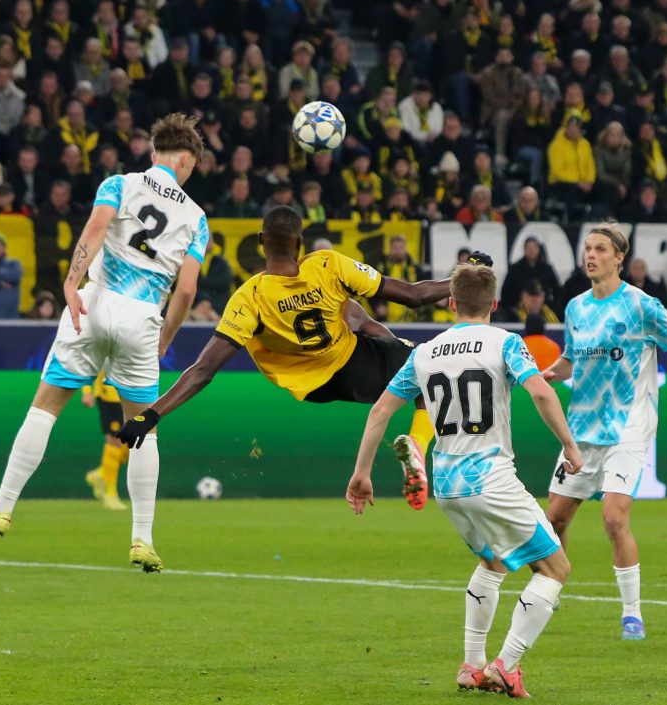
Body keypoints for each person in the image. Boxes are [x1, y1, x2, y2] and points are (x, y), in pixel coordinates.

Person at [0, 114, 209, 574]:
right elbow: (188, 291)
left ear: (155, 153)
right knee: (143, 428)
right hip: (142, 317)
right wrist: (164, 338)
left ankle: (1, 507)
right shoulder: (197, 217)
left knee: (45, 407)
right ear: (185, 160)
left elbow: (94, 231)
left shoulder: (120, 184)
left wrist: (71, 284)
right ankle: (142, 539)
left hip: (93, 304)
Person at [116, 207, 487, 509]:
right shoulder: (327, 265)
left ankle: (405, 382)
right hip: (353, 360)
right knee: (430, 366)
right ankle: (418, 445)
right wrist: (467, 273)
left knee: (387, 340)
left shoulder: (250, 298)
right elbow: (413, 295)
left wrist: (151, 414)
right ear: (300, 243)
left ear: (261, 242)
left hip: (313, 387)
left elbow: (203, 369)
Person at [344, 263, 582, 698]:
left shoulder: (425, 353)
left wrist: (361, 473)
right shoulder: (506, 343)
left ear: (451, 302)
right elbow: (541, 391)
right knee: (555, 568)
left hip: (448, 483)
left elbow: (380, 411)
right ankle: (505, 667)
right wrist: (569, 445)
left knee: (492, 562)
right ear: (495, 304)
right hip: (490, 476)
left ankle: (472, 666)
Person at [542, 225, 667, 641]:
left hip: (628, 426)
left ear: (619, 258)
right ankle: (550, 588)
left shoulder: (641, 305)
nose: (590, 255)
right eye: (587, 248)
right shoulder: (576, 307)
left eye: (600, 249)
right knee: (553, 520)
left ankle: (632, 613)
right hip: (583, 430)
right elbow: (571, 360)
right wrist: (548, 374)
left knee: (614, 517)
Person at [83, 374, 129, 511]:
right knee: (115, 442)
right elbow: (89, 363)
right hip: (109, 393)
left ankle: (100, 474)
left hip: (133, 392)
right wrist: (87, 391)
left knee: (131, 446)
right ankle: (111, 494)